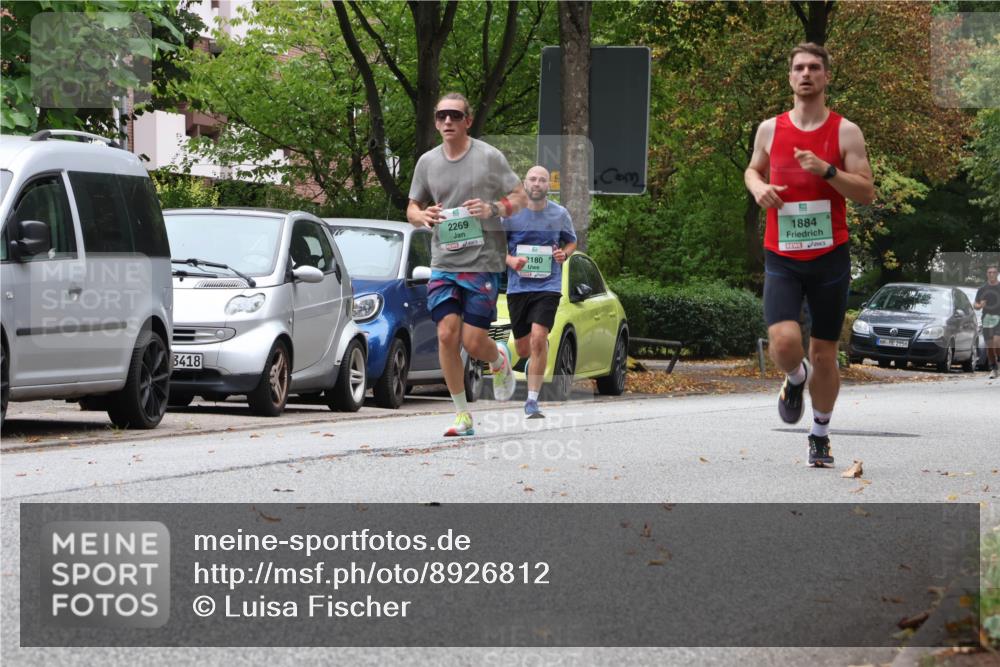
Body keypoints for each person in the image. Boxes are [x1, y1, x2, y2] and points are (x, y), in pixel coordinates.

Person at [744, 43, 875, 467]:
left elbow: (867, 193)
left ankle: (820, 433)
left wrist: (828, 171)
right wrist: (757, 187)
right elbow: (753, 168)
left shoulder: (845, 132)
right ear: (789, 78)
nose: (806, 74)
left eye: (814, 68)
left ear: (825, 77)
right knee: (784, 343)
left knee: (823, 353)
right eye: (798, 67)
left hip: (830, 257)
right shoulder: (770, 129)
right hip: (781, 254)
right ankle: (794, 378)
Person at [407, 92, 528, 437]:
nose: (447, 122)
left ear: (467, 121)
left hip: (482, 261)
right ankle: (462, 416)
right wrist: (422, 216)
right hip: (444, 259)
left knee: (474, 342)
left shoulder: (489, 157)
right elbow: (412, 207)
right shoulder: (427, 162)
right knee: (446, 333)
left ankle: (498, 358)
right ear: (435, 121)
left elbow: (519, 197)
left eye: (455, 116)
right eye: (441, 116)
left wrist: (494, 209)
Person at [502, 166, 578, 418]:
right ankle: (534, 347)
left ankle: (532, 401)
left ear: (549, 185)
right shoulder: (511, 213)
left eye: (542, 180)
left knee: (538, 337)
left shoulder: (559, 213)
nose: (537, 184)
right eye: (533, 179)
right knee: (524, 349)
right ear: (525, 183)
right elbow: (494, 247)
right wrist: (510, 261)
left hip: (548, 286)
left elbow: (571, 241)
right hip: (518, 288)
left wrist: (563, 254)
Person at [974, 264, 1000, 379]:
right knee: (989, 347)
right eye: (989, 272)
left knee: (996, 343)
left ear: (997, 274)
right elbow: (975, 304)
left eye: (994, 272)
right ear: (987, 274)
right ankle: (994, 369)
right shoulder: (982, 289)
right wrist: (980, 305)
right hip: (987, 320)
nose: (991, 274)